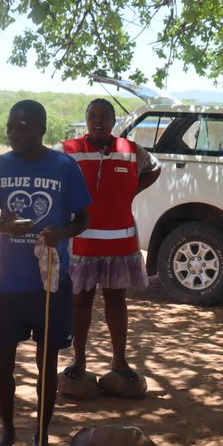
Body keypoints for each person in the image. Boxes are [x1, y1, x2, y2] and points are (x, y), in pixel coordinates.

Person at [0, 100, 91, 446]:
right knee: (2, 366)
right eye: (10, 126)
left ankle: (42, 439)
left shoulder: (64, 166)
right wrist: (1, 226)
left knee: (47, 365)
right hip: (7, 284)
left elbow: (83, 219)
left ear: (41, 129)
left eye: (22, 126)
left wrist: (61, 233)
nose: (13, 132)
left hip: (49, 286)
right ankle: (8, 433)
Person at [60, 98, 161, 384]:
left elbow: (154, 168)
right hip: (82, 242)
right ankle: (79, 359)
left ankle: (119, 360)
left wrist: (132, 191)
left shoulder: (130, 150)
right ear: (86, 119)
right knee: (81, 302)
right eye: (93, 116)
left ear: (114, 120)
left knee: (116, 301)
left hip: (120, 242)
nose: (98, 121)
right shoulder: (69, 151)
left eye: (104, 116)